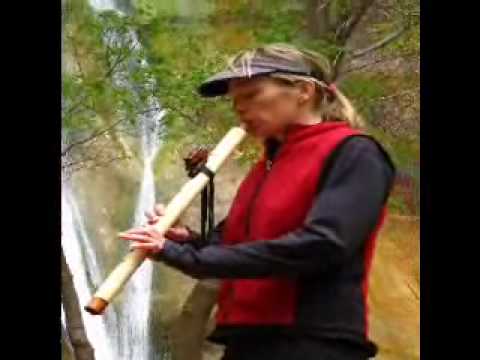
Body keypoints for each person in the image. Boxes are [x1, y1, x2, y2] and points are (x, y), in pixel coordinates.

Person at [119, 43, 396, 360]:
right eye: (235, 100)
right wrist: (183, 241)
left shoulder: (353, 152)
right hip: (247, 341)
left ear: (303, 90)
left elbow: (324, 244)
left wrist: (182, 256)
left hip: (309, 343)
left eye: (251, 95)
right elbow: (232, 246)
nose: (239, 108)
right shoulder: (266, 165)